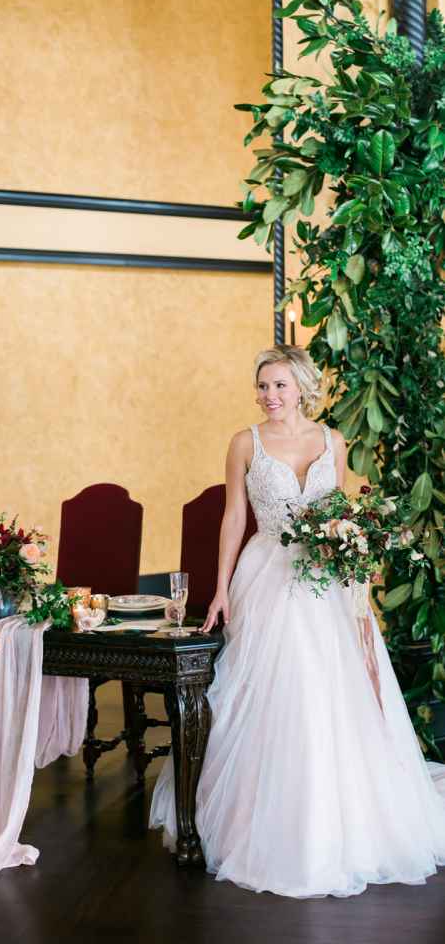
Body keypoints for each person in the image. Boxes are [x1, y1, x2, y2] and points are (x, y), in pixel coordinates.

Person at [150, 345, 445, 898]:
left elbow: (348, 515)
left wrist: (357, 570)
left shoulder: (334, 441)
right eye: (263, 386)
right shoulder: (245, 443)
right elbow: (234, 517)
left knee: (335, 691)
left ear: (302, 388)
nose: (269, 395)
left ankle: (340, 823)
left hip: (328, 581)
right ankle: (263, 823)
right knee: (277, 687)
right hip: (266, 576)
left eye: (279, 385)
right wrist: (220, 588)